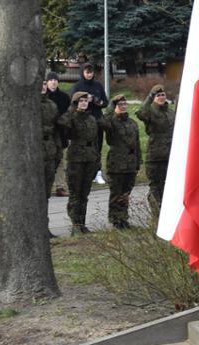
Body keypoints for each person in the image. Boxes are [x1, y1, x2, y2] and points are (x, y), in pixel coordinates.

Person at [58, 91, 102, 233]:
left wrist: (97, 159)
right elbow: (62, 123)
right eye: (80, 101)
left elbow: (95, 139)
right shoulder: (71, 117)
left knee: (84, 193)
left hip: (90, 157)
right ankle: (75, 224)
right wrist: (72, 109)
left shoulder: (91, 118)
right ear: (76, 103)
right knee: (75, 193)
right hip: (76, 158)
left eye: (85, 101)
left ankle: (82, 223)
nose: (84, 103)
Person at [99, 94, 141, 229]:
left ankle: (124, 219)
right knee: (116, 193)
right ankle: (115, 220)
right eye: (119, 104)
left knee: (126, 193)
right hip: (116, 164)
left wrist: (138, 162)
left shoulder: (132, 123)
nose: (123, 107)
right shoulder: (111, 121)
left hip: (130, 163)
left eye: (124, 104)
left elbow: (137, 144)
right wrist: (111, 108)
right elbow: (103, 122)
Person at [136, 85, 176, 216]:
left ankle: (168, 214)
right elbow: (141, 114)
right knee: (156, 187)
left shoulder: (170, 113)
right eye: (158, 95)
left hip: (170, 154)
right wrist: (149, 96)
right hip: (155, 155)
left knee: (169, 186)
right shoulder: (150, 111)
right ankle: (156, 216)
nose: (161, 97)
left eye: (163, 95)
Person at [42, 73, 71, 197]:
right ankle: (45, 185)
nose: (53, 82)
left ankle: (60, 186)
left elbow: (68, 115)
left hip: (60, 132)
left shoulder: (64, 97)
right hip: (46, 134)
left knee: (60, 160)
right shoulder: (42, 98)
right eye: (51, 80)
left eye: (55, 80)